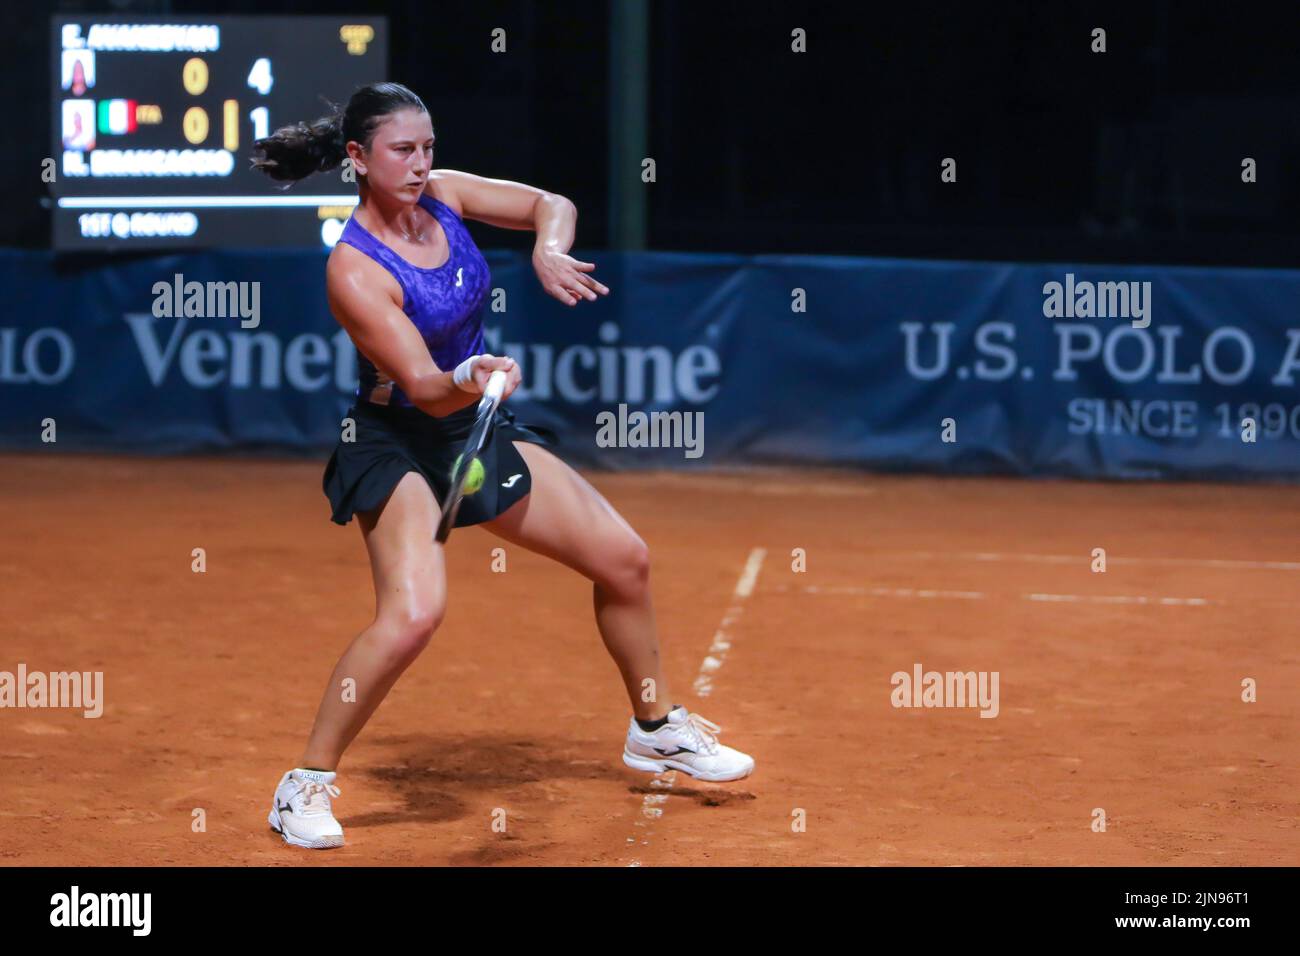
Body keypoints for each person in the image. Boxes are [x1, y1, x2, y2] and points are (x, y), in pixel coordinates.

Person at [250, 83, 753, 850]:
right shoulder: (354, 270)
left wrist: (549, 248)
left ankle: (655, 728)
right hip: (398, 441)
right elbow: (421, 386)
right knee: (414, 615)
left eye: (427, 148)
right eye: (401, 151)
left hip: (473, 426)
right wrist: (467, 377)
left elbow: (548, 203)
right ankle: (304, 785)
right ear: (357, 158)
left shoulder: (447, 194)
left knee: (624, 560)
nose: (421, 165)